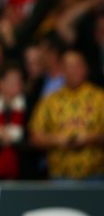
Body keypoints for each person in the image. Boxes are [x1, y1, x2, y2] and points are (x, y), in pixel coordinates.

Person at [29, 50, 104, 180]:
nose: (73, 71)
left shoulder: (100, 99)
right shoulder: (49, 101)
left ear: (85, 69)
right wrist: (58, 140)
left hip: (96, 175)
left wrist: (90, 138)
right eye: (68, 67)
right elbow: (34, 137)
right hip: (59, 176)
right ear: (62, 70)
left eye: (77, 66)